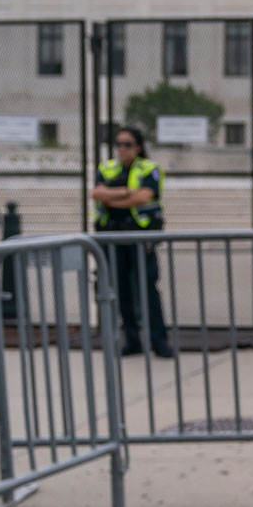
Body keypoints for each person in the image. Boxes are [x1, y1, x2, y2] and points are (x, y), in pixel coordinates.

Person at [92, 126, 173, 358]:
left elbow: (144, 196)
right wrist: (126, 194)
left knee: (147, 288)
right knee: (122, 291)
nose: (122, 149)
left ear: (138, 147)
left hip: (140, 237)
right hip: (112, 237)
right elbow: (97, 194)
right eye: (118, 144)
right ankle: (132, 340)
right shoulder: (106, 168)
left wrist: (113, 196)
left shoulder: (149, 168)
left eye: (127, 144)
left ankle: (159, 341)